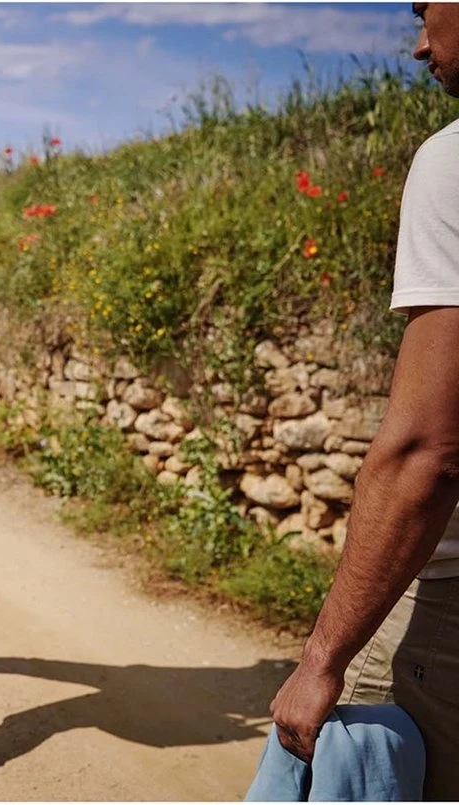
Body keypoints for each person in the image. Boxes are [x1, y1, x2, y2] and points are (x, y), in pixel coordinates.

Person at [270, 3, 459, 798]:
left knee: (359, 761)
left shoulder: (451, 163)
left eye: (424, 8)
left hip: (445, 610)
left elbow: (428, 449)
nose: (417, 44)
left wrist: (322, 660)